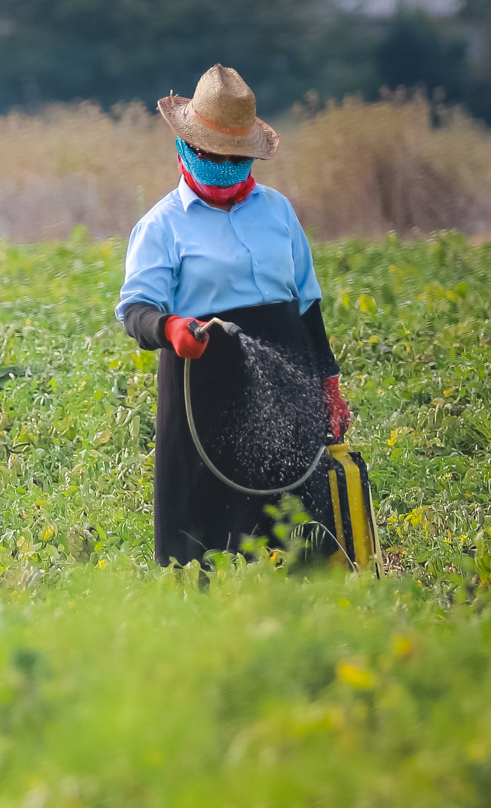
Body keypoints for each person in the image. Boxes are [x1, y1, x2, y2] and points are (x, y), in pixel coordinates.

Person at [116, 65, 352, 567]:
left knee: (298, 527)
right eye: (211, 154)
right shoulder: (161, 225)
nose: (224, 165)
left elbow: (307, 306)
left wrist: (327, 383)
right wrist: (170, 328)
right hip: (205, 382)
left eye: (235, 157)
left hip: (287, 378)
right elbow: (136, 310)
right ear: (185, 147)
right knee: (208, 538)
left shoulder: (278, 211)